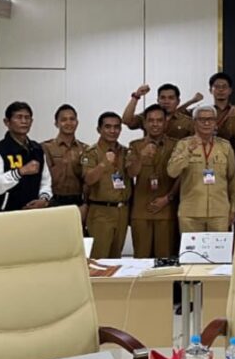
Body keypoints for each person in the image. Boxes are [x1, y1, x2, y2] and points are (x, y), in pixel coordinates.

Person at [168, 105, 235, 232]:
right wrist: (188, 151)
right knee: (192, 252)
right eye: (202, 120)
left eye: (211, 119)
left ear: (215, 122)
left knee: (218, 251)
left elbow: (233, 180)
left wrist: (233, 209)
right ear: (194, 122)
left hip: (219, 212)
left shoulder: (225, 146)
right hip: (190, 213)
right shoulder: (183, 144)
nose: (206, 123)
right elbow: (172, 172)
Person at [127, 104, 179, 258]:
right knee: (141, 260)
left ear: (165, 123)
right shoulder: (135, 145)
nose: (155, 124)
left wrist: (168, 198)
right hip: (141, 209)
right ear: (144, 123)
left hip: (166, 209)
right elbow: (131, 172)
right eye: (151, 120)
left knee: (165, 260)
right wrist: (141, 158)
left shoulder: (175, 145)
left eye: (159, 120)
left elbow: (181, 177)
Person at [0, 102, 52, 212]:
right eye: (19, 117)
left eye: (27, 118)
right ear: (7, 122)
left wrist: (44, 199)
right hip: (4, 213)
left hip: (34, 212)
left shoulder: (37, 149)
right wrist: (20, 172)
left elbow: (45, 181)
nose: (24, 121)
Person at [81, 112, 131, 258]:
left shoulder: (125, 151)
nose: (113, 131)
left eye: (116, 127)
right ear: (99, 129)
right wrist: (103, 163)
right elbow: (88, 179)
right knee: (99, 258)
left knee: (117, 258)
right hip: (101, 211)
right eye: (108, 127)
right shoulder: (91, 152)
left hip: (122, 211)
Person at [42, 104, 87, 217]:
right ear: (56, 123)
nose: (68, 123)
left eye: (72, 119)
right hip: (53, 201)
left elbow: (88, 180)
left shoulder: (85, 149)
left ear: (77, 122)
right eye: (63, 120)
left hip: (77, 202)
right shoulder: (45, 147)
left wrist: (86, 204)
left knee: (76, 234)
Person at [123, 83, 195, 140]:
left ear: (178, 101)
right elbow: (126, 120)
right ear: (158, 100)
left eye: (171, 98)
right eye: (162, 98)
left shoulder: (187, 122)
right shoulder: (148, 116)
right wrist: (136, 96)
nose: (166, 101)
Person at [208, 72, 235, 141]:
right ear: (210, 90)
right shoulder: (205, 112)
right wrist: (193, 101)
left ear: (230, 90)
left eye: (224, 87)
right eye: (217, 87)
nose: (221, 90)